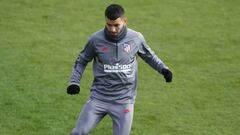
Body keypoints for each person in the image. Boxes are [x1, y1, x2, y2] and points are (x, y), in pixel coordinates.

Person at [67, 4, 173, 135]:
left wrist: (164, 69)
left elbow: (150, 56)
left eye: (116, 25)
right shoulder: (96, 40)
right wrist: (74, 82)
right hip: (99, 98)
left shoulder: (136, 38)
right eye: (108, 24)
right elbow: (81, 60)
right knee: (77, 133)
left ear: (125, 21)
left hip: (124, 100)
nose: (112, 29)